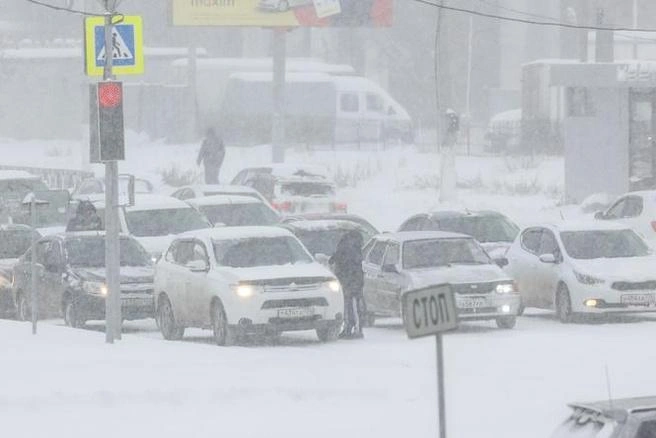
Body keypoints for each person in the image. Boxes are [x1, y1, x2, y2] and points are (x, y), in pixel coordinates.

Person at [330, 230, 365, 339]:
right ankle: (354, 328)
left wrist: (333, 260)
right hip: (354, 280)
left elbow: (340, 260)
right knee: (353, 305)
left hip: (348, 280)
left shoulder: (345, 246)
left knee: (349, 305)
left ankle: (351, 328)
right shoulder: (354, 247)